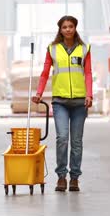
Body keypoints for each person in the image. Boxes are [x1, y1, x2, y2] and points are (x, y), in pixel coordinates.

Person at [32, 15, 93, 192]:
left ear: (75, 28)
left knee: (76, 141)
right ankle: (61, 177)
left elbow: (88, 74)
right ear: (60, 29)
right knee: (62, 139)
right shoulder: (52, 49)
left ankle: (74, 178)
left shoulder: (84, 48)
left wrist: (89, 94)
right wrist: (38, 93)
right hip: (60, 101)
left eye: (71, 26)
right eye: (64, 27)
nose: (68, 29)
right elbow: (44, 73)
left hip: (80, 102)